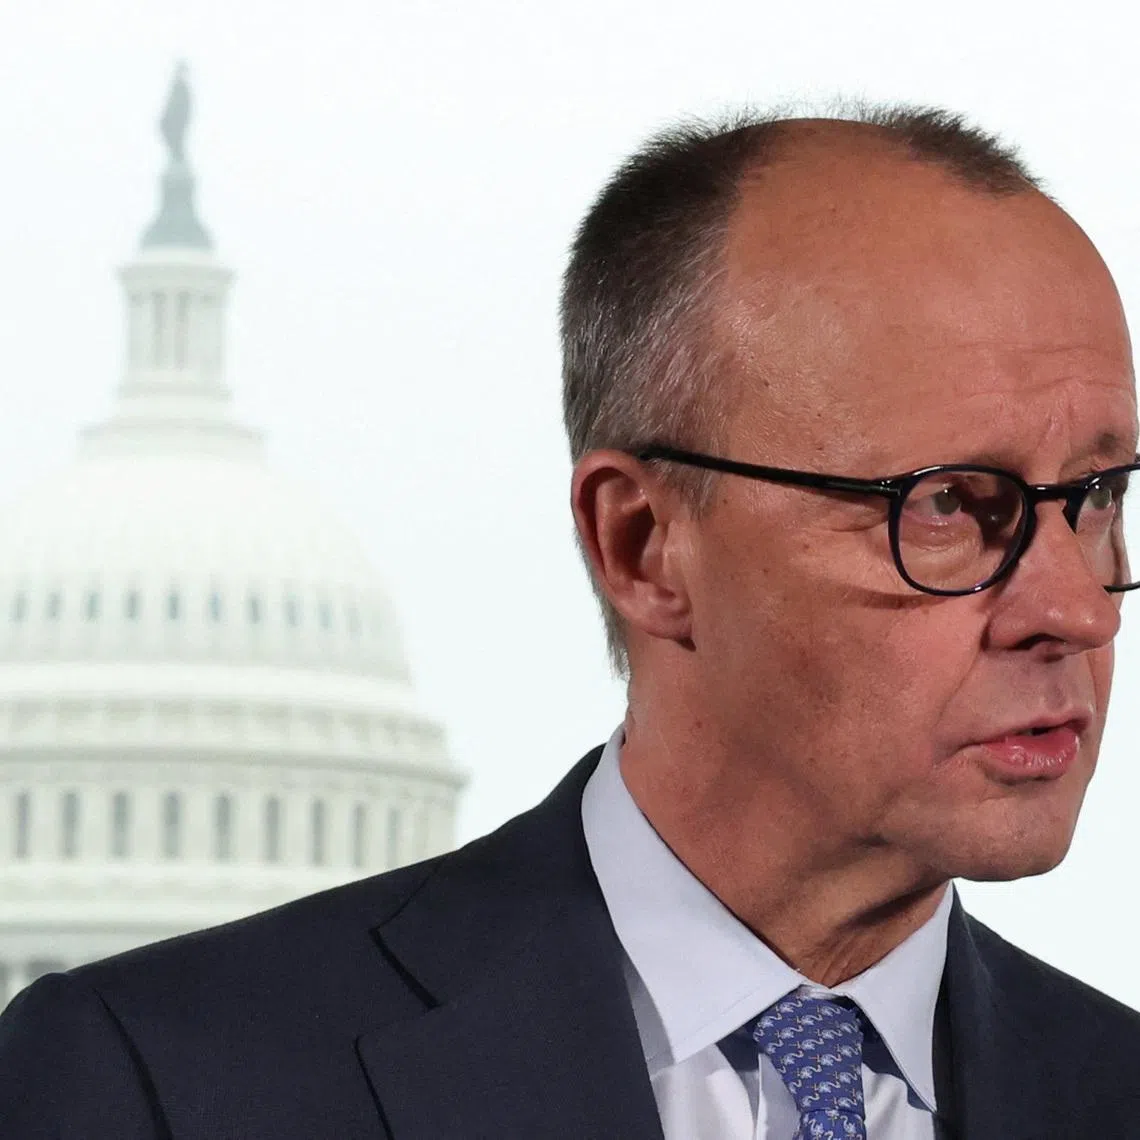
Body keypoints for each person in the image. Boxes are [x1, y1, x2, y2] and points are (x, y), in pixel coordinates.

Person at [2, 104, 1139, 1140]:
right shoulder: (150, 1087)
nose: (1075, 610)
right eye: (948, 506)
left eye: (1099, 497)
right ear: (642, 546)